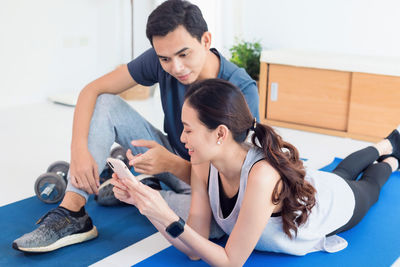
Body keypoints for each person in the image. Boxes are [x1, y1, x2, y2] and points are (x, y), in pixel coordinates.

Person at [12, 0, 259, 252]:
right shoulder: (162, 59)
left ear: (206, 40)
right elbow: (92, 90)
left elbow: (232, 187)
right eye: (165, 58)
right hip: (173, 153)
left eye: (184, 54)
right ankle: (71, 212)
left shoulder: (241, 91)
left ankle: (136, 189)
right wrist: (78, 150)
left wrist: (169, 165)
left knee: (215, 227)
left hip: (210, 189)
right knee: (107, 103)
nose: (176, 67)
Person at [110, 78, 400, 266]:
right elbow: (194, 248)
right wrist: (146, 206)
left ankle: (390, 157)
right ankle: (385, 143)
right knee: (342, 169)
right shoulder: (202, 162)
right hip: (311, 183)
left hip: (332, 204)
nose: (182, 138)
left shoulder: (261, 177)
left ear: (220, 134)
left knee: (368, 186)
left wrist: (167, 214)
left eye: (188, 129)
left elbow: (230, 261)